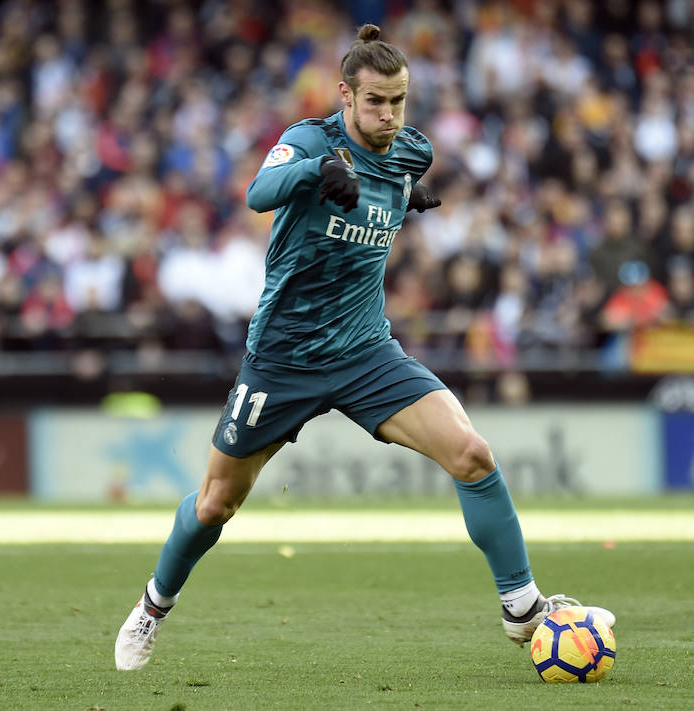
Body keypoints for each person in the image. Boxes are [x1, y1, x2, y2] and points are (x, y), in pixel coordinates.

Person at [115, 24, 615, 671]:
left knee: (471, 452)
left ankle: (522, 609)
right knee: (216, 502)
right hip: (285, 357)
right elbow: (256, 193)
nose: (388, 115)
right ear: (345, 95)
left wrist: (408, 197)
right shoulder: (309, 140)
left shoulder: (409, 152)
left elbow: (401, 177)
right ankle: (154, 604)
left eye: (399, 101)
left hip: (366, 352)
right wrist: (315, 174)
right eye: (376, 101)